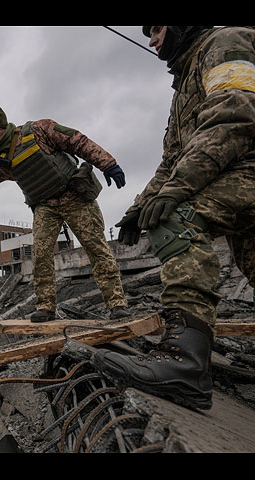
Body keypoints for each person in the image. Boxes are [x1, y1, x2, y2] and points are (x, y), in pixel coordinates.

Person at [93, 26, 255, 411]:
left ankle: (185, 364)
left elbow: (235, 113)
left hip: (247, 168)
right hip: (237, 179)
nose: (151, 39)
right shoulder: (184, 85)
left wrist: (174, 192)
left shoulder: (225, 42)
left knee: (175, 218)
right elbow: (171, 161)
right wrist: (138, 208)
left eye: (158, 28)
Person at [0, 104, 130, 322]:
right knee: (40, 255)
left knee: (97, 249)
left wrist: (107, 163)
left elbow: (77, 141)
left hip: (75, 196)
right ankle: (46, 307)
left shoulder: (39, 130)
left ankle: (117, 304)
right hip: (45, 207)